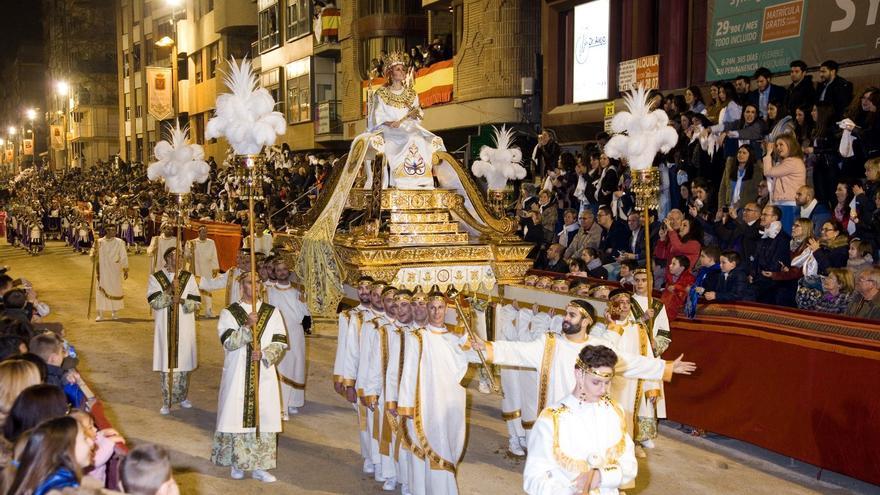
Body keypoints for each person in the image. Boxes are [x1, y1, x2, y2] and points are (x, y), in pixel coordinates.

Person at [472, 300, 696, 450]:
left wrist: (665, 367)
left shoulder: (598, 347)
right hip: (556, 424)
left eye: (571, 315)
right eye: (566, 315)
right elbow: (516, 352)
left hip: (587, 426)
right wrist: (487, 347)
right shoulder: (549, 345)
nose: (565, 319)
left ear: (587, 321)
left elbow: (629, 362)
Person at [523, 345, 636, 495]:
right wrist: (569, 491)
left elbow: (630, 466)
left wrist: (602, 476)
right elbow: (533, 479)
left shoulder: (615, 411)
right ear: (579, 374)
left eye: (607, 382)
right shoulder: (552, 419)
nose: (603, 390)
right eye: (596, 382)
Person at [211, 272, 288, 482]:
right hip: (237, 374)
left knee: (263, 416)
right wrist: (246, 326)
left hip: (263, 374)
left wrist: (264, 354)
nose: (252, 286)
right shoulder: (229, 312)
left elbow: (280, 341)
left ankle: (260, 467)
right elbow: (228, 342)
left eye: (256, 282)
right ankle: (237, 462)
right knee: (236, 415)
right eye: (248, 282)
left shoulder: (272, 312)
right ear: (241, 285)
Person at [146, 248, 200, 415]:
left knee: (183, 361)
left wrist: (182, 300)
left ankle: (182, 396)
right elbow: (154, 302)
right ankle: (166, 400)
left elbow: (197, 303)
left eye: (182, 256)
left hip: (184, 327)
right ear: (167, 258)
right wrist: (170, 290)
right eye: (177, 256)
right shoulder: (156, 278)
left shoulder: (188, 277)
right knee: (166, 362)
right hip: (165, 328)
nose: (181, 259)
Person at [334, 277, 375, 472]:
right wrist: (344, 379)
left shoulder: (388, 316)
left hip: (381, 378)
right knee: (365, 419)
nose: (364, 291)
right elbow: (344, 348)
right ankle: (368, 456)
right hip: (360, 376)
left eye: (369, 288)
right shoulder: (349, 316)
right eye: (361, 288)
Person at [0, 416, 94, 495]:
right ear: (64, 448)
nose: (91, 442)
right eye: (85, 438)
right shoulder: (61, 488)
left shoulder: (48, 480)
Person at [264, 259, 309, 420]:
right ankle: (281, 404)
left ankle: (293, 402)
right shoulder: (269, 292)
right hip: (278, 332)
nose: (282, 272)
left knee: (296, 364)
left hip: (296, 333)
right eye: (278, 270)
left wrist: (305, 302)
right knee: (281, 366)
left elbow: (305, 315)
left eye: (284, 269)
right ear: (274, 273)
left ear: (288, 271)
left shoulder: (298, 291)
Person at [763, 133, 806, 233]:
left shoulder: (793, 162)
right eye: (777, 145)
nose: (778, 148)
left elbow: (768, 172)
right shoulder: (786, 162)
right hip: (783, 204)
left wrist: (768, 153)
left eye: (781, 144)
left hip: (789, 205)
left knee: (786, 235)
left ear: (790, 144)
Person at [751, 206, 793, 305]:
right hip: (760, 283)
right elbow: (757, 258)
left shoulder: (783, 239)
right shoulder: (764, 236)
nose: (761, 217)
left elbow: (776, 265)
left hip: (772, 287)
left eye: (765, 214)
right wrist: (752, 274)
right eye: (762, 214)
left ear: (774, 218)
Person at [91, 224, 128, 321]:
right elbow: (92, 255)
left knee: (115, 289)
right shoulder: (98, 242)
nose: (115, 232)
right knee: (100, 290)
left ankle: (115, 312)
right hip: (102, 270)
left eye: (115, 230)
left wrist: (125, 268)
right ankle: (100, 314)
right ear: (107, 231)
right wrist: (93, 254)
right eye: (112, 230)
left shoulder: (120, 242)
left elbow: (123, 255)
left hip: (114, 270)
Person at [184, 225, 220, 318]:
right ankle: (195, 311)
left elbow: (214, 255)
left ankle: (209, 310)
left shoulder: (211, 242)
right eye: (202, 232)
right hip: (196, 269)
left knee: (208, 290)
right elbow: (186, 256)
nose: (205, 234)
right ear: (198, 233)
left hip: (207, 269)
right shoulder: (192, 243)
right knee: (195, 290)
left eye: (206, 232)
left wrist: (215, 268)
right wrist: (189, 254)